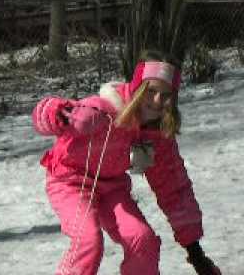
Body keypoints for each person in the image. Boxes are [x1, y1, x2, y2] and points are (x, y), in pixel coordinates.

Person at [32, 50, 221, 275]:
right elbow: (41, 115)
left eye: (166, 94)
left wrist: (196, 252)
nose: (157, 101)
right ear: (138, 87)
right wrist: (63, 114)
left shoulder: (156, 135)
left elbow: (174, 189)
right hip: (70, 183)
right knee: (88, 241)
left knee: (143, 239)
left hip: (112, 189)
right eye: (150, 91)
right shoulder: (101, 110)